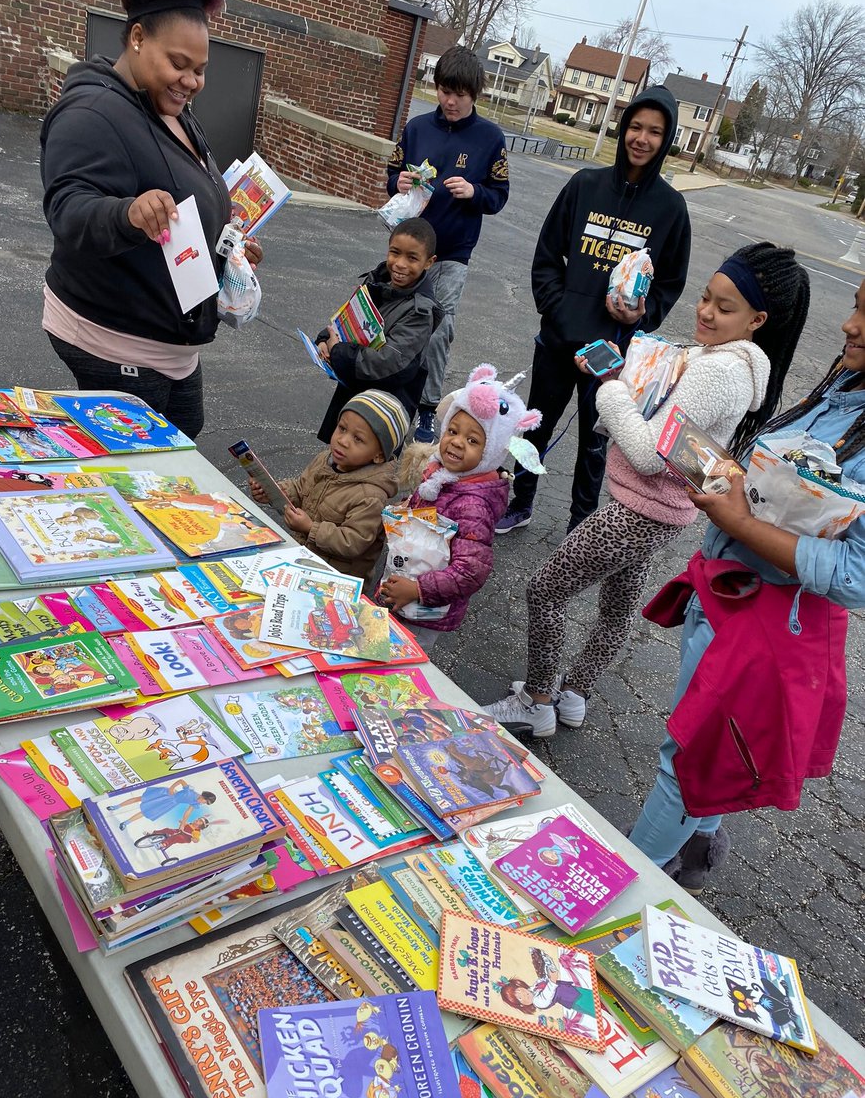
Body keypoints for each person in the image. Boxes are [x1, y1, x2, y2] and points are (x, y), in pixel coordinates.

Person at [483, 243, 811, 736]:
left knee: (546, 591)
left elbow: (647, 453)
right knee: (617, 607)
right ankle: (574, 695)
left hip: (639, 510)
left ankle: (537, 700)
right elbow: (672, 432)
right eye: (706, 297)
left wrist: (612, 386)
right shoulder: (729, 361)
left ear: (757, 320)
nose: (705, 312)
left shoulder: (719, 370)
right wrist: (631, 374)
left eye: (724, 308)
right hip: (662, 509)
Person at [627, 277, 865, 893]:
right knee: (707, 750)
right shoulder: (846, 387)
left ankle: (621, 887)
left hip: (766, 625)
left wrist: (739, 523)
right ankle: (696, 845)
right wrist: (726, 478)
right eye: (857, 306)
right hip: (725, 593)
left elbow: (855, 575)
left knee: (687, 760)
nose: (850, 325)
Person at [39, 0, 261, 439]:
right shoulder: (93, 111)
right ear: (138, 38)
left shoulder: (167, 107)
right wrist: (127, 213)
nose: (191, 81)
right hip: (116, 338)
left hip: (171, 340)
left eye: (200, 70)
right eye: (178, 64)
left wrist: (228, 247)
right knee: (140, 463)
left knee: (183, 432)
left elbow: (184, 192)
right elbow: (68, 208)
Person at [496, 85, 692, 535]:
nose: (642, 139)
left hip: (613, 351)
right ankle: (521, 503)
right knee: (536, 427)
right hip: (559, 337)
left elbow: (670, 283)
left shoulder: (671, 208)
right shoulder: (585, 185)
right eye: (636, 127)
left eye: (655, 132)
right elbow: (548, 254)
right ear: (624, 129)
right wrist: (557, 308)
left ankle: (579, 525)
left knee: (594, 443)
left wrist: (640, 317)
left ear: (666, 140)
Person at [387, 46, 510, 444]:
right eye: (444, 91)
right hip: (409, 245)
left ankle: (427, 408)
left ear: (474, 94)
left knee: (439, 330)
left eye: (459, 94)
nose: (450, 101)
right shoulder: (417, 128)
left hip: (453, 252)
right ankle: (390, 395)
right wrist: (398, 182)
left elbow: (499, 195)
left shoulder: (490, 138)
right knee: (395, 321)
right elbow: (393, 174)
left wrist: (474, 192)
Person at [381, 365, 541, 651]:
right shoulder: (441, 474)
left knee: (405, 655)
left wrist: (418, 590)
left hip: (425, 607)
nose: (456, 442)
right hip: (405, 578)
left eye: (473, 440)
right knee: (383, 644)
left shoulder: (473, 505)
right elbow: (427, 513)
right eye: (453, 431)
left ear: (493, 450)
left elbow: (471, 571)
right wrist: (406, 509)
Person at [249, 390, 409, 582]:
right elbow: (301, 488)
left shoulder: (371, 495)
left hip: (335, 580)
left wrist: (310, 528)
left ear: (379, 455)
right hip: (302, 560)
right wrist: (275, 491)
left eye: (358, 439)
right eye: (342, 428)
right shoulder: (324, 460)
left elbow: (353, 542)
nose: (343, 440)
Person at [315, 218, 441, 442]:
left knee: (364, 458)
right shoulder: (377, 282)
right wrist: (325, 339)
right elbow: (346, 318)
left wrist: (338, 352)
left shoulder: (420, 313)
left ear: (429, 262)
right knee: (339, 450)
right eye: (395, 252)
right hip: (354, 392)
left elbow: (386, 363)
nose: (400, 264)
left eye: (412, 258)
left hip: (383, 410)